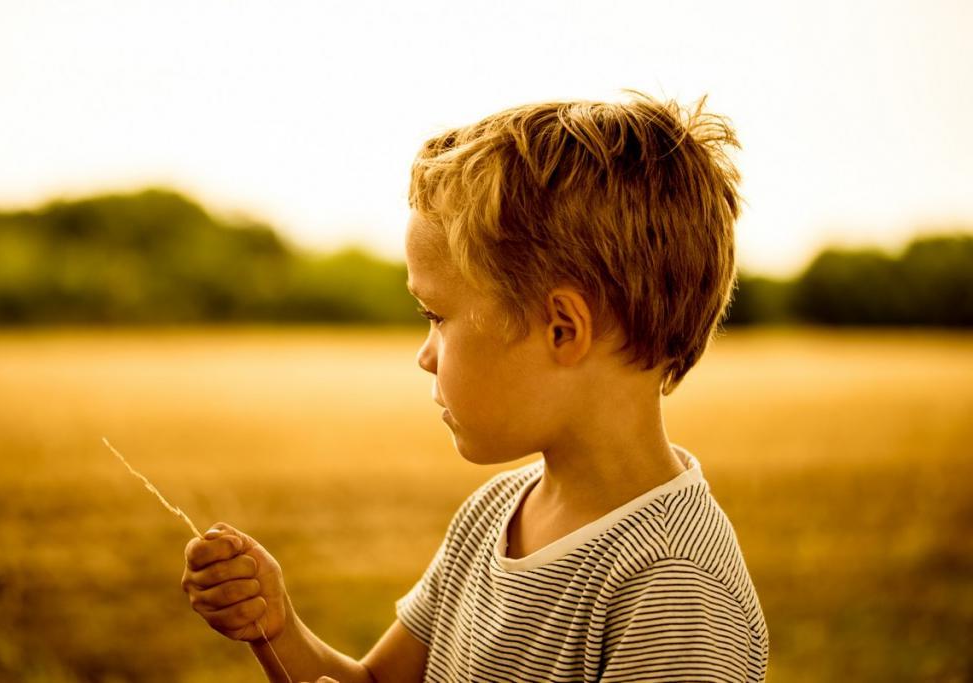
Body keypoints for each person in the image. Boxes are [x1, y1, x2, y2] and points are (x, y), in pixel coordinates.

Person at [181, 89, 769, 682]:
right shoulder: (492, 514)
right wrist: (276, 627)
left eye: (437, 316)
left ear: (563, 329)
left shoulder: (673, 590)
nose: (425, 356)